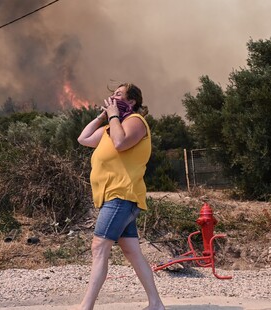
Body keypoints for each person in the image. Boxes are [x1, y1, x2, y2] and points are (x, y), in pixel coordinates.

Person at [77, 83, 165, 310]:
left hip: (122, 195)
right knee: (131, 251)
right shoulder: (109, 128)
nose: (112, 97)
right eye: (112, 94)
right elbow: (83, 138)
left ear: (132, 101)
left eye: (118, 94)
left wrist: (114, 116)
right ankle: (156, 304)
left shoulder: (135, 122)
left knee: (99, 247)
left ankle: (85, 307)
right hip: (113, 197)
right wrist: (102, 117)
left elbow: (121, 142)